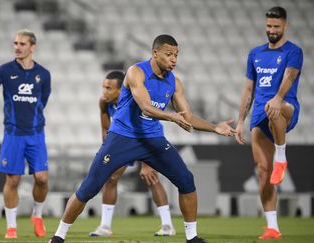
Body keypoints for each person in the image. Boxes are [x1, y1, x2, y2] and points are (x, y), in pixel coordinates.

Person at [49, 34, 236, 243]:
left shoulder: (174, 82)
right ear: (155, 53)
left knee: (186, 180)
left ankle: (192, 238)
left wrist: (214, 128)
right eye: (168, 54)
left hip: (152, 139)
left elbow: (188, 117)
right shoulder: (135, 72)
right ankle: (58, 237)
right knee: (89, 188)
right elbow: (146, 106)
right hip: (122, 137)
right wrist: (171, 117)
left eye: (176, 55)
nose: (174, 59)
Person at [234, 6, 303, 240]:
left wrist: (277, 98)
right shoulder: (255, 54)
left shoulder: (293, 51)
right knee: (262, 172)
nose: (271, 30)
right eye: (269, 26)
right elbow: (248, 89)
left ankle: (281, 156)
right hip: (259, 116)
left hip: (286, 107)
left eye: (276, 26)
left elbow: (290, 76)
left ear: (285, 26)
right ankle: (272, 227)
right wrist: (240, 121)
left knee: (273, 109)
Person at [0, 29, 51, 239]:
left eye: (22, 44)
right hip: (13, 134)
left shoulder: (44, 74)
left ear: (32, 47)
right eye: (15, 43)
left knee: (43, 179)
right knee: (13, 181)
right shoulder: (4, 70)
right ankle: (11, 227)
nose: (17, 47)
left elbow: (43, 100)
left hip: (36, 134)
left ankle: (37, 215)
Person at [89, 71, 175, 237]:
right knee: (111, 176)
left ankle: (167, 226)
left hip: (148, 139)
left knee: (150, 177)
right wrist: (107, 151)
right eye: (103, 87)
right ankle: (105, 227)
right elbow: (106, 128)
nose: (104, 92)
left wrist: (146, 164)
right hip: (125, 141)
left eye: (108, 88)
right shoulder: (104, 103)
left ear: (120, 89)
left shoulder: (135, 102)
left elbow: (148, 129)